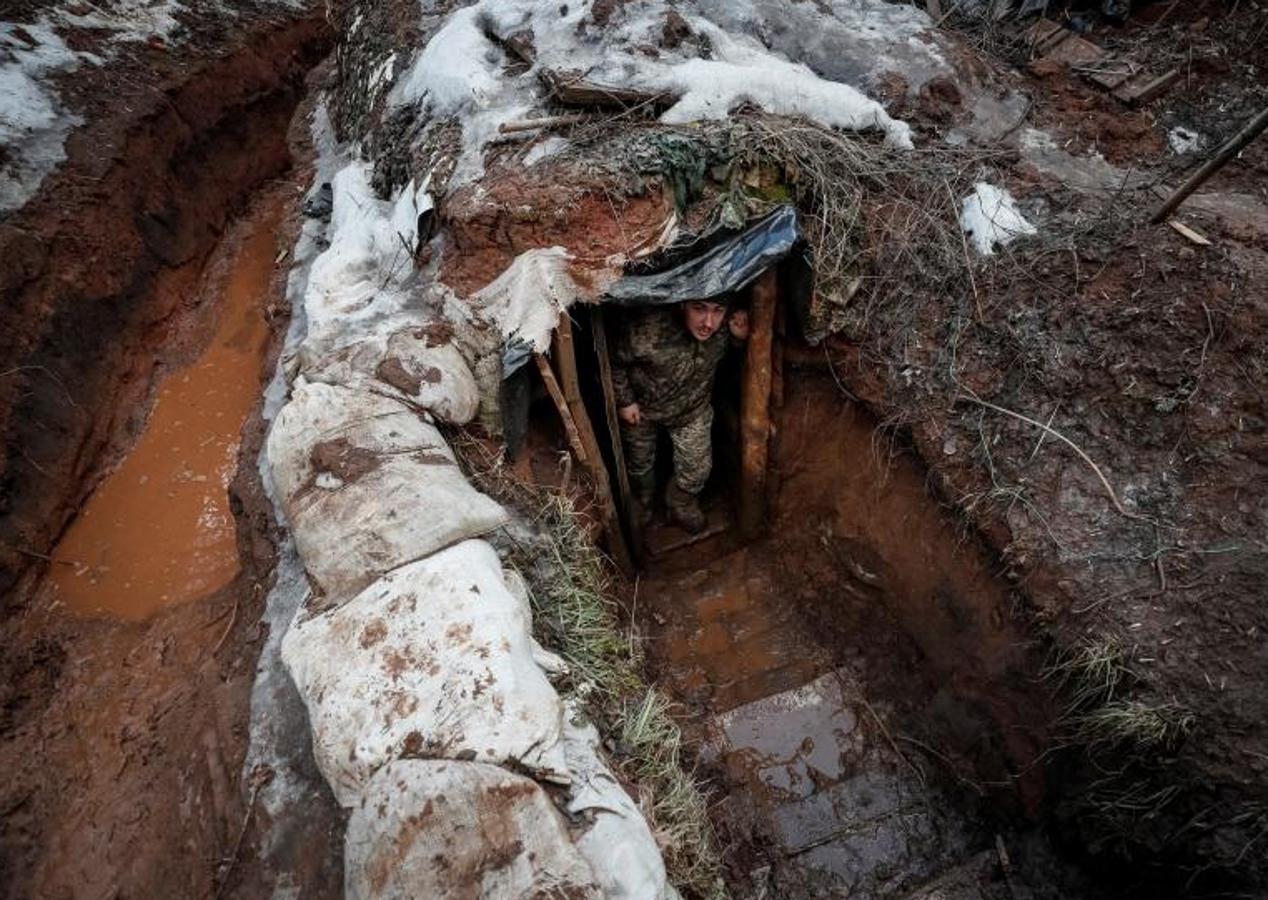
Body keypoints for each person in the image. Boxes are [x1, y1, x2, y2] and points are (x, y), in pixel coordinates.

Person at [611, 298, 750, 534]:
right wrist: (625, 401)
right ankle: (644, 502)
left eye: (717, 311)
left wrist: (738, 340)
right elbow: (615, 361)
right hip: (643, 411)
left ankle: (679, 504)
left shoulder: (727, 327)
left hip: (692, 410)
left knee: (697, 468)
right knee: (639, 464)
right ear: (682, 304)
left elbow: (730, 360)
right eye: (699, 309)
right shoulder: (646, 330)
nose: (708, 322)